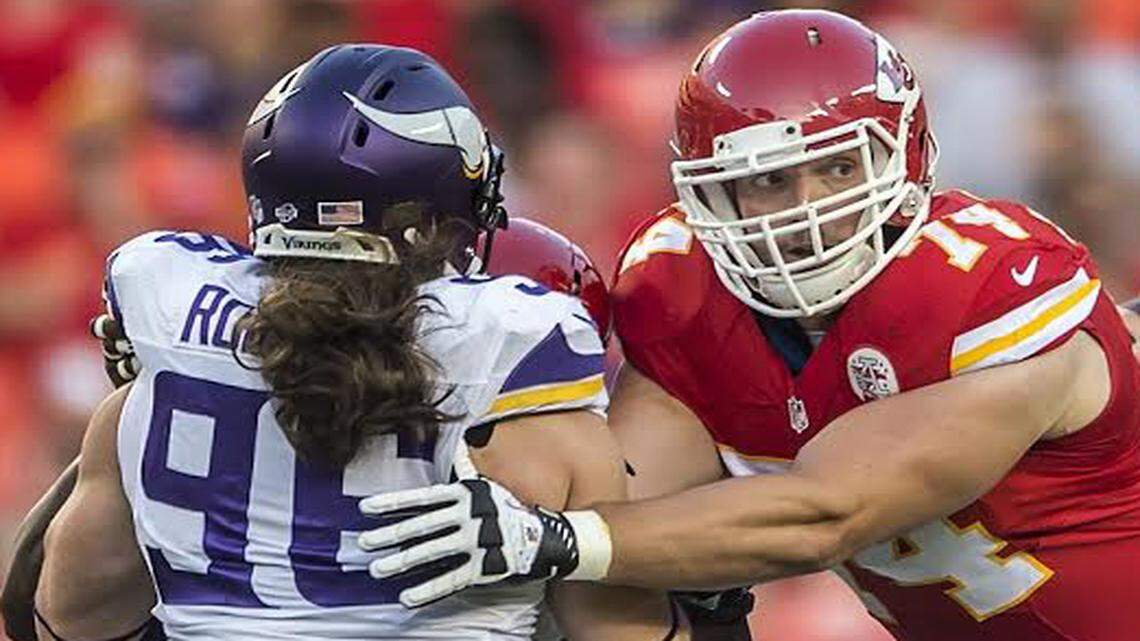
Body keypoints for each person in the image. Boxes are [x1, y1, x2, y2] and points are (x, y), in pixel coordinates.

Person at [348, 11, 1140, 641]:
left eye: (836, 166)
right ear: (706, 193)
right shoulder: (683, 286)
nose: (805, 206)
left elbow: (827, 511)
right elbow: (623, 502)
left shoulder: (992, 286)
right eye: (765, 179)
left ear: (903, 155)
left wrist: (549, 537)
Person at [29, 44, 680, 641]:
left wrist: (148, 407)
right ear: (432, 216)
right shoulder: (515, 361)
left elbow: (65, 616)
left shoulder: (167, 361)